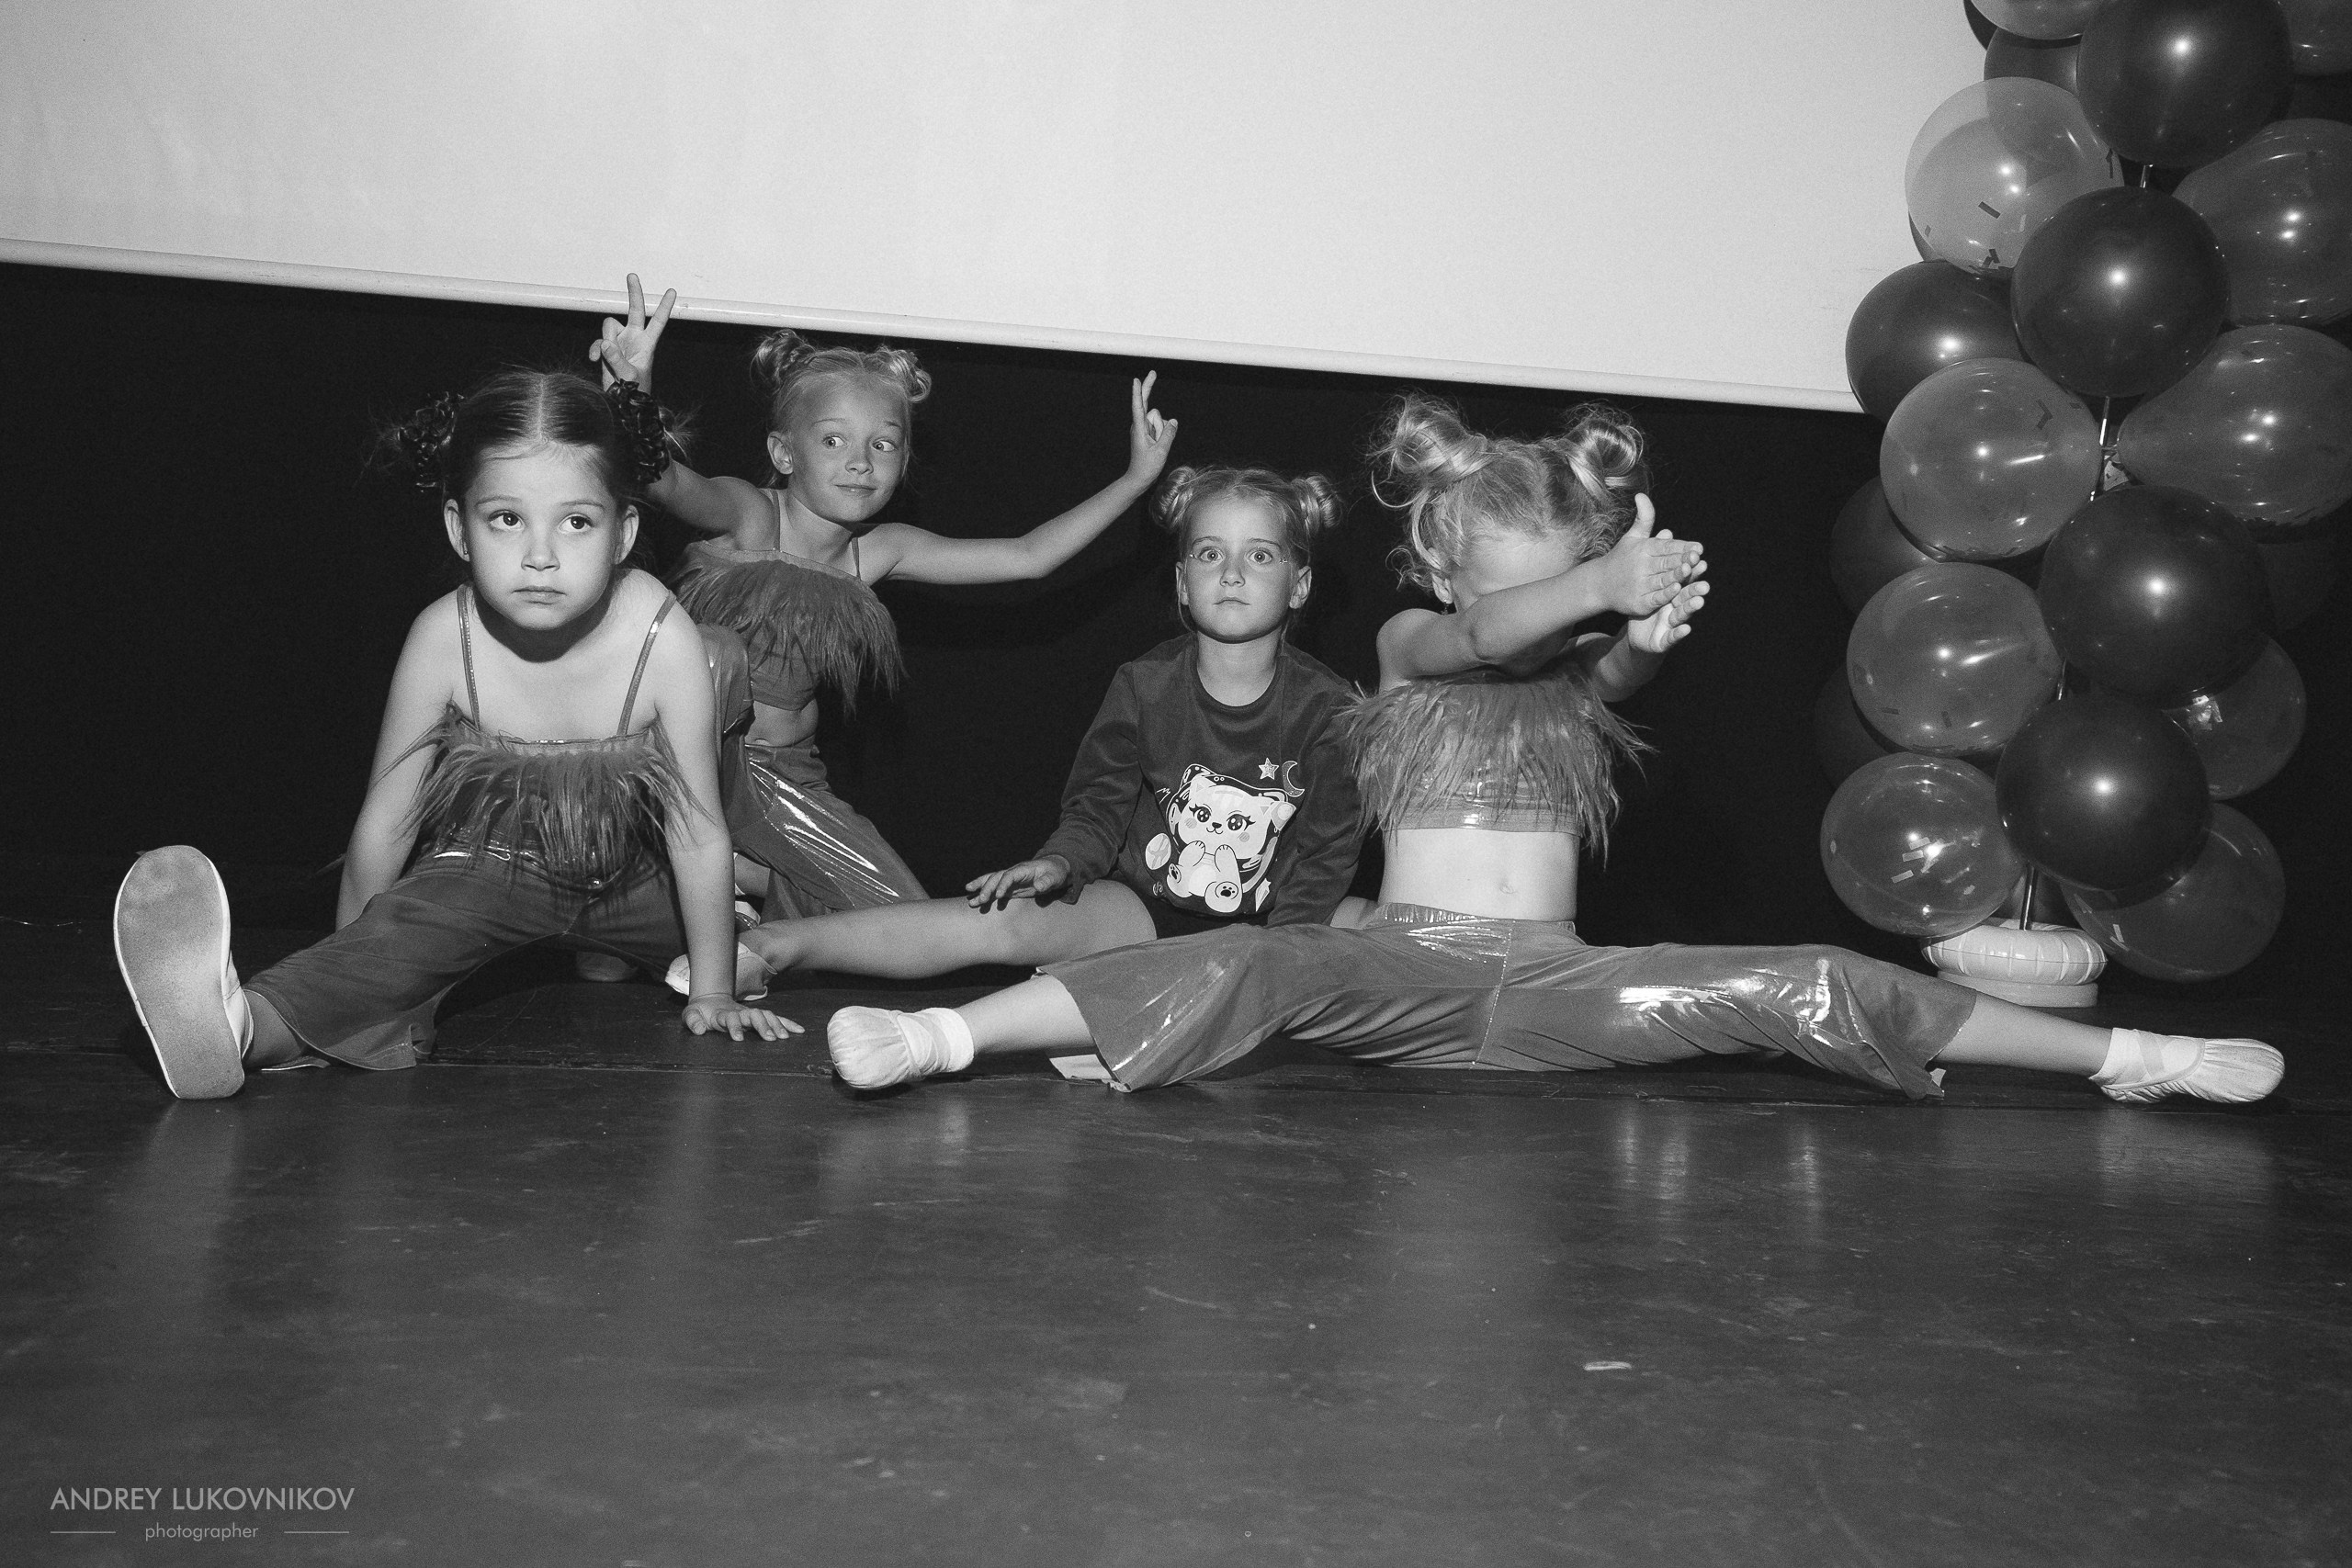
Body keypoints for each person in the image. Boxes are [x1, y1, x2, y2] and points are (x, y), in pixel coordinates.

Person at [818, 395, 2285, 1109]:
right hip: (1400, 964)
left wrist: (1640, 615)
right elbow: (1488, 641)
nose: (1539, 612)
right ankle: (951, 1035)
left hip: (1568, 985)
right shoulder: (1405, 646)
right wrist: (1591, 589)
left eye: (1564, 581)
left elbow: (1618, 663)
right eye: (1513, 586)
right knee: (1243, 954)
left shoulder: (1587, 676)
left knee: (1814, 980)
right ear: (1452, 575)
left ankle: (2127, 1053)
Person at [112, 370, 795, 1100]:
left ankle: (663, 957)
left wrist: (715, 991)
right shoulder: (444, 636)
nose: (541, 554)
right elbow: (386, 821)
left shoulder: (662, 633)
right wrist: (356, 975)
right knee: (392, 947)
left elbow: (695, 831)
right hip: (491, 865)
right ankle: (235, 1029)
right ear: (457, 529)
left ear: (624, 531)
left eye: (576, 522)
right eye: (506, 518)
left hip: (634, 876)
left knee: (744, 941)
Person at [586, 276, 1178, 920]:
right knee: (709, 653)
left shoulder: (880, 549)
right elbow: (661, 479)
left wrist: (1134, 480)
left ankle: (733, 881)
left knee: (902, 920)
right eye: (834, 440)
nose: (861, 461)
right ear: (784, 452)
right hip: (687, 758)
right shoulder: (753, 515)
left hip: (782, 780)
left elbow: (1027, 555)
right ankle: (657, 871)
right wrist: (630, 388)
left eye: (883, 444)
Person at [680, 465, 1368, 996]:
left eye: (1262, 556)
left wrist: (1275, 961)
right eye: (1211, 553)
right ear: (1183, 582)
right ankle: (768, 948)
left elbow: (1327, 854)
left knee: (1384, 925)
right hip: (1142, 908)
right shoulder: (1144, 684)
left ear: (1300, 584)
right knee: (1002, 917)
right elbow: (1097, 810)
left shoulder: (1328, 708)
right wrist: (1060, 862)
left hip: (1271, 924)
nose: (1234, 573)